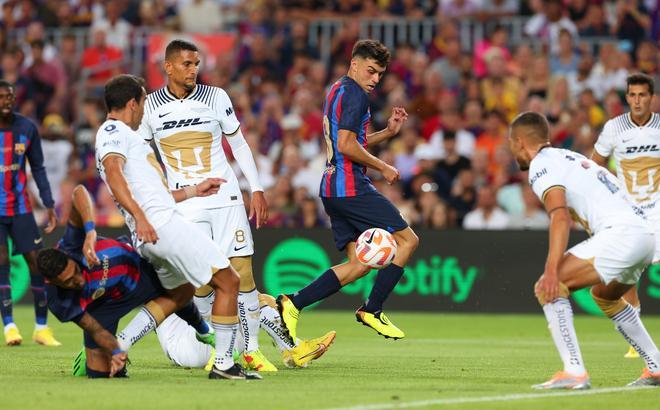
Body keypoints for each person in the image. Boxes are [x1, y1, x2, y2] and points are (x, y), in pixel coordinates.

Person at [96, 74, 258, 380]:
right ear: (132, 103)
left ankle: (119, 346)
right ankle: (224, 364)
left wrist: (195, 190)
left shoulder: (124, 137)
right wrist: (141, 217)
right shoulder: (113, 131)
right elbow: (114, 174)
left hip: (155, 228)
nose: (145, 109)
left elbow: (152, 193)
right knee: (229, 280)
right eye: (143, 102)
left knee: (181, 293)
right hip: (161, 226)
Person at [138, 40, 276, 372]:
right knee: (200, 281)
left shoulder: (216, 97)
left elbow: (238, 144)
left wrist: (255, 188)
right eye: (186, 64)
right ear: (168, 67)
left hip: (226, 199)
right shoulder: (150, 107)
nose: (193, 69)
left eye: (196, 63)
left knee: (243, 273)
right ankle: (213, 345)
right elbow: (143, 158)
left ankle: (252, 351)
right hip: (187, 205)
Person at [277, 40, 419, 342]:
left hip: (332, 188)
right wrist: (383, 167)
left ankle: (293, 302)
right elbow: (346, 145)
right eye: (371, 71)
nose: (375, 79)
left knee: (359, 265)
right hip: (350, 186)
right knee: (407, 241)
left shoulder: (338, 89)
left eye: (380, 74)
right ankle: (373, 310)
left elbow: (353, 141)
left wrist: (389, 133)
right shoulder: (356, 95)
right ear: (354, 63)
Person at [509, 111, 660, 389]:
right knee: (605, 296)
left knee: (548, 287)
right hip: (646, 234)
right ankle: (656, 367)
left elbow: (560, 217)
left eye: (511, 145)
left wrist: (552, 270)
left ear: (519, 142)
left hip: (624, 234)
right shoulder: (572, 157)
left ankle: (574, 371)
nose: (512, 152)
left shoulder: (541, 165)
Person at [37, 184, 214, 378]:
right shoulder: (59, 302)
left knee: (183, 290)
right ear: (52, 282)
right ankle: (95, 358)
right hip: (104, 308)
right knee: (100, 375)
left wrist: (90, 232)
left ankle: (204, 331)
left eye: (77, 272)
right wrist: (116, 351)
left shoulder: (72, 244)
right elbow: (94, 328)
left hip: (137, 272)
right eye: (69, 281)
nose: (78, 281)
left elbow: (78, 191)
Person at [592, 73, 660, 359]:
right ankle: (636, 342)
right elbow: (594, 165)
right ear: (627, 97)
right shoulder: (613, 128)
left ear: (651, 98)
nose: (637, 101)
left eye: (642, 95)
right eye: (632, 95)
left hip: (658, 208)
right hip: (629, 213)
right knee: (627, 276)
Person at [0, 79, 59, 347]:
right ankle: (10, 326)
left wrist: (48, 202)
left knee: (37, 262)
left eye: (9, 96)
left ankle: (41, 328)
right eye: (1, 97)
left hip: (22, 208)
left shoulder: (26, 128)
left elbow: (38, 167)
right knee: (1, 263)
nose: (6, 101)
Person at [156, 291, 336, 370]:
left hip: (186, 349)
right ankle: (293, 348)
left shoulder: (168, 269)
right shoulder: (183, 268)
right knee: (250, 297)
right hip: (193, 345)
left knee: (254, 299)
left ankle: (291, 348)